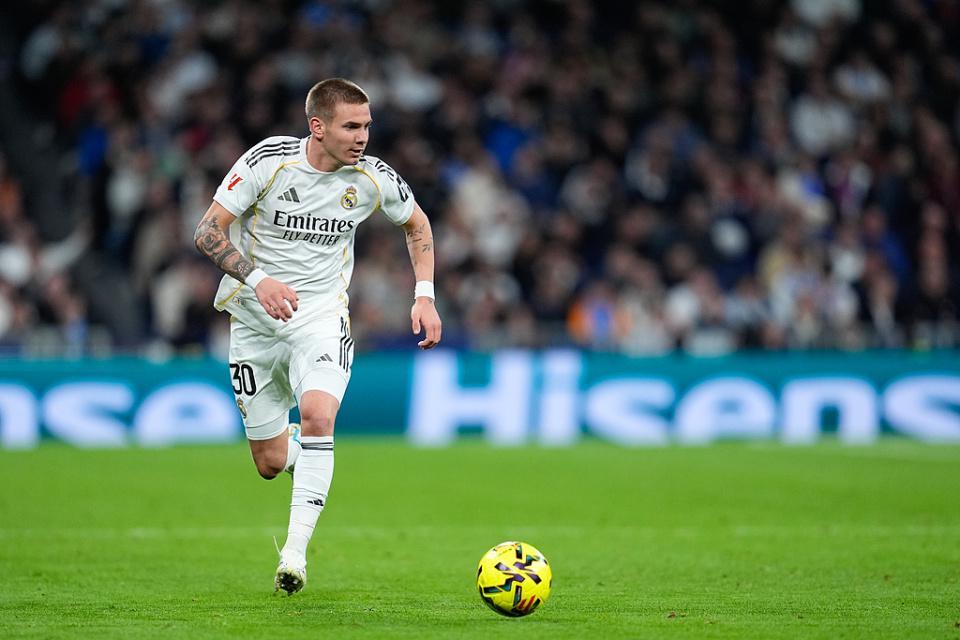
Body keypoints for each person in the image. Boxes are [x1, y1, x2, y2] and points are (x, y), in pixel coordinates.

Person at [194, 78, 442, 594]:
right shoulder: (269, 162)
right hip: (254, 318)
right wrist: (259, 281)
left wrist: (424, 295)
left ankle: (294, 556)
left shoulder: (373, 178)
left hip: (321, 318)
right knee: (269, 463)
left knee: (318, 417)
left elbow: (417, 225)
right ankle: (313, 461)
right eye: (351, 126)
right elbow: (207, 231)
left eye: (367, 126)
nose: (362, 137)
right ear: (318, 127)